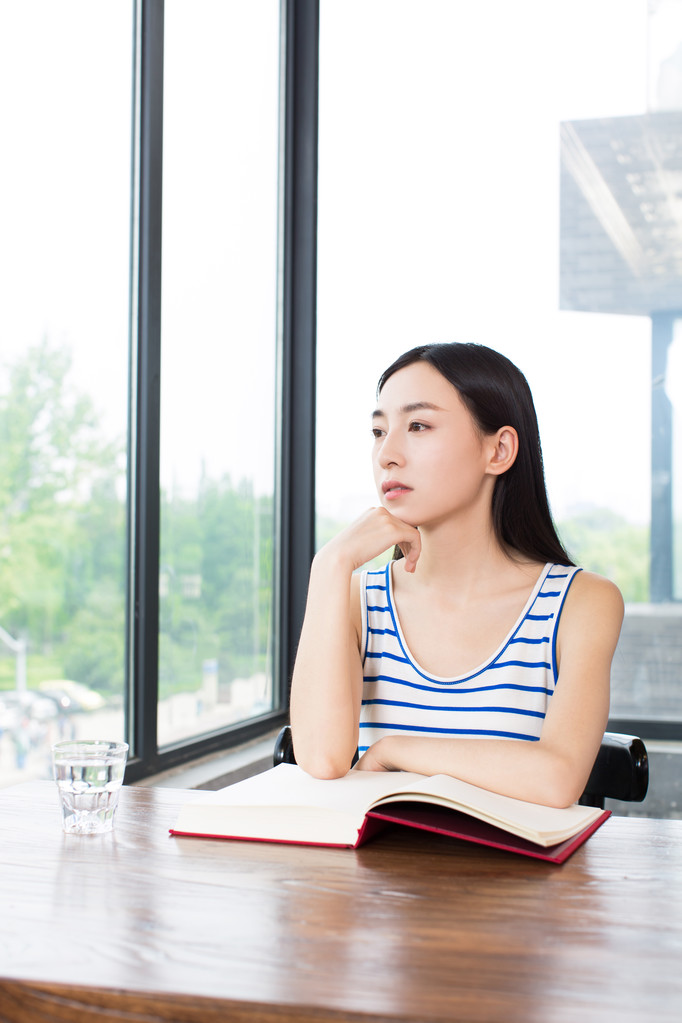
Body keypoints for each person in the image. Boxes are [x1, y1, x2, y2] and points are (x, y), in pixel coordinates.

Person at [290, 342, 624, 808]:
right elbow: (323, 760)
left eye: (419, 425)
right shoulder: (353, 597)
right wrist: (329, 566)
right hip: (374, 876)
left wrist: (396, 750)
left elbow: (557, 779)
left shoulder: (582, 602)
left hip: (511, 878)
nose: (387, 454)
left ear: (499, 449)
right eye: (378, 430)